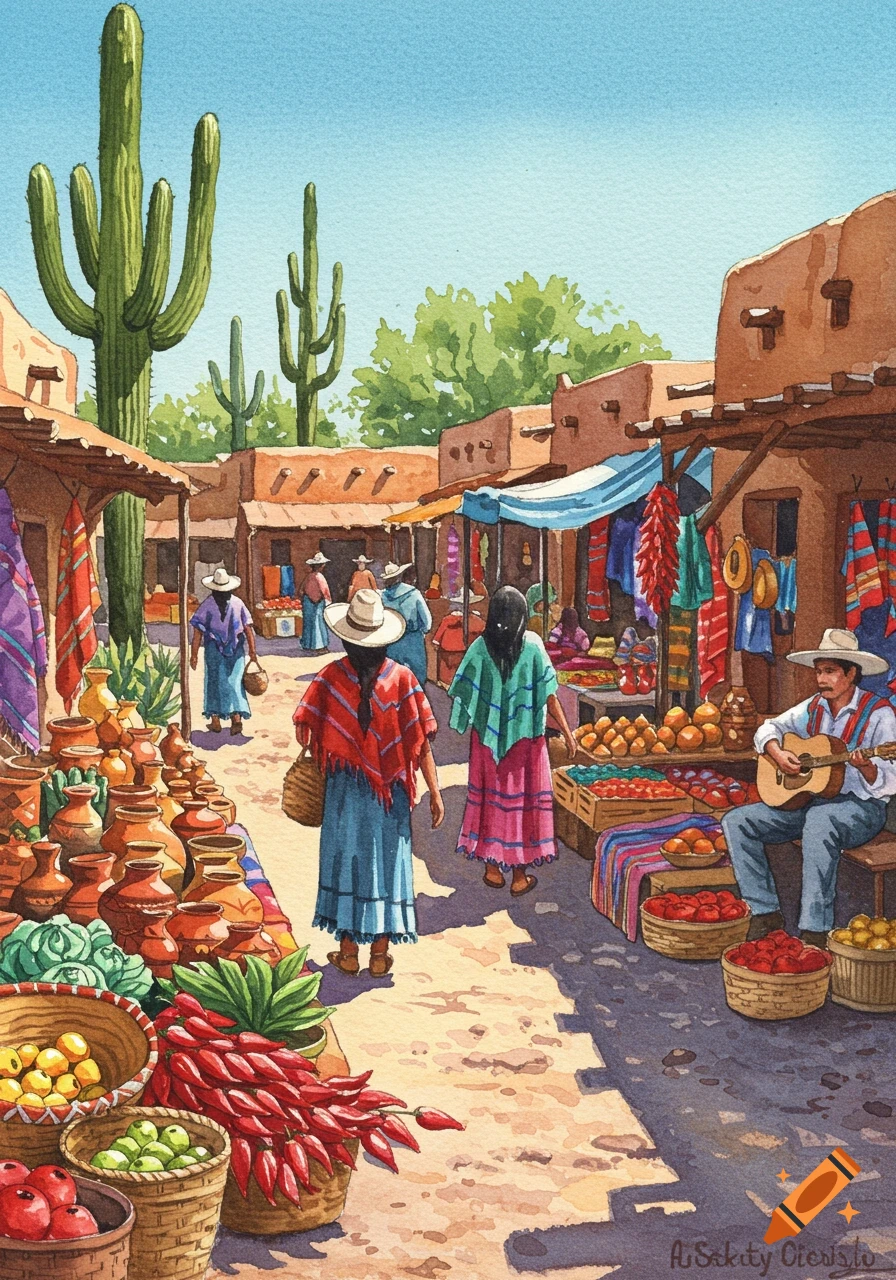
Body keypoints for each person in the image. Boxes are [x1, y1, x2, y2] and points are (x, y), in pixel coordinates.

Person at [293, 589, 444, 977]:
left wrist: (340, 742)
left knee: (346, 861)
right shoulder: (403, 680)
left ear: (346, 637)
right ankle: (379, 955)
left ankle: (347, 953)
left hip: (345, 791)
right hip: (389, 794)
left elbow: (306, 730)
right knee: (385, 864)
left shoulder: (329, 677)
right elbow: (420, 742)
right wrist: (435, 791)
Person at [722, 628, 896, 947]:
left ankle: (815, 929)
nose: (820, 679)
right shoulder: (814, 707)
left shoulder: (879, 714)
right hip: (810, 804)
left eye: (829, 671)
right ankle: (764, 912)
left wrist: (868, 765)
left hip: (862, 810)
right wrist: (778, 752)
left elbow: (889, 782)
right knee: (737, 821)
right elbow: (768, 729)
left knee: (820, 822)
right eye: (818, 671)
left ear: (851, 673)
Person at [448, 585, 576, 895]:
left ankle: (492, 869)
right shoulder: (533, 646)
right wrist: (569, 734)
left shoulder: (479, 648)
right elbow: (549, 696)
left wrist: (471, 718)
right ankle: (520, 876)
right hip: (526, 742)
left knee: (491, 800)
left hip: (487, 743)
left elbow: (463, 692)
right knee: (522, 804)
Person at [190, 567, 257, 735]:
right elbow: (248, 629)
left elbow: (197, 632)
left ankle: (216, 721)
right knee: (234, 683)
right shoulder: (238, 603)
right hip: (235, 650)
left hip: (214, 651)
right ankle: (236, 720)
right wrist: (253, 652)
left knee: (214, 682)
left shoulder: (207, 605)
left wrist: (194, 654)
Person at [381, 562, 432, 688]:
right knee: (416, 680)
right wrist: (423, 630)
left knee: (392, 679)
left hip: (391, 641)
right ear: (399, 576)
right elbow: (427, 622)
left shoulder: (381, 596)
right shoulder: (414, 594)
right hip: (413, 641)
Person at [431, 592, 485, 687]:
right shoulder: (472, 619)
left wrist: (437, 643)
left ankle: (445, 684)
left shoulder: (447, 619)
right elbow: (482, 630)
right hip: (462, 649)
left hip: (446, 649)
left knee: (446, 671)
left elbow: (438, 636)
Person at [300, 551, 331, 653]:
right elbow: (325, 591)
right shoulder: (319, 577)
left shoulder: (309, 576)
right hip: (316, 603)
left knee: (309, 624)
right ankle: (319, 647)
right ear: (321, 566)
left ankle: (307, 644)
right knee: (318, 624)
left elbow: (301, 590)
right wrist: (328, 602)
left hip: (307, 602)